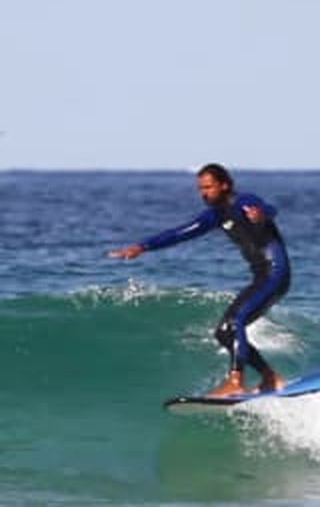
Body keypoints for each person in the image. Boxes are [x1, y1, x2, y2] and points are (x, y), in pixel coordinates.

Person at [109, 163, 291, 397]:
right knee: (225, 333)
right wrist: (142, 247)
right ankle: (270, 377)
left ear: (225, 185)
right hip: (262, 277)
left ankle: (235, 381)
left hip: (275, 273)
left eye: (209, 187)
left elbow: (269, 208)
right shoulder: (216, 215)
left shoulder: (244, 202)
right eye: (201, 189)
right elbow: (180, 233)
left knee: (235, 323)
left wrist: (261, 214)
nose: (204, 193)